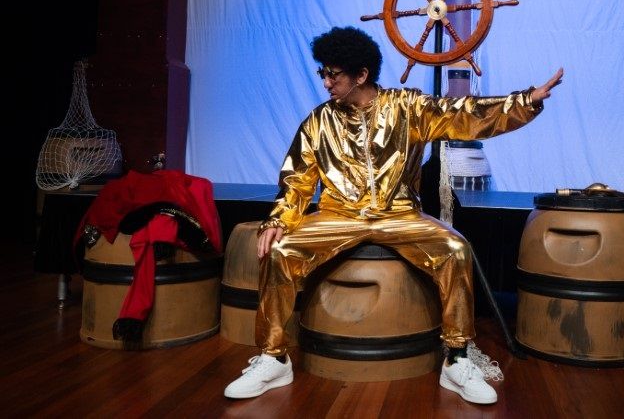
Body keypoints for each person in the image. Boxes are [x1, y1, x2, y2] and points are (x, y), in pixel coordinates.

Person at [224, 26, 563, 404]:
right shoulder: (319, 121)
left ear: (361, 75)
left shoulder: (408, 107)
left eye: (332, 74)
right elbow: (297, 180)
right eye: (323, 73)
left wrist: (525, 101)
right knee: (280, 251)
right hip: (339, 214)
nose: (325, 83)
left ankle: (456, 359)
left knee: (455, 250)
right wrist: (278, 220)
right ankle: (273, 357)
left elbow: (465, 115)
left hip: (398, 214)